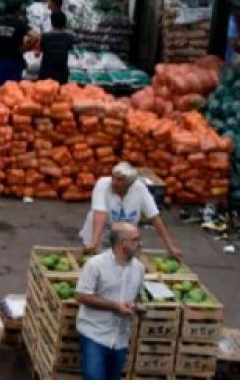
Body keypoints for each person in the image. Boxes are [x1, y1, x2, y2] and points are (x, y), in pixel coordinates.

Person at [75, 223, 146, 380]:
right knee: (94, 378)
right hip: (95, 334)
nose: (139, 244)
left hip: (120, 339)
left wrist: (137, 307)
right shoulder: (95, 265)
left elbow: (136, 297)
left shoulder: (139, 268)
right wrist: (115, 306)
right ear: (122, 243)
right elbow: (81, 296)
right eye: (135, 240)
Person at [80, 162, 183, 261]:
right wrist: (94, 242)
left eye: (120, 180)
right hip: (99, 236)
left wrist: (170, 247)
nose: (114, 182)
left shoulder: (140, 189)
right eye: (113, 177)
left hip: (123, 240)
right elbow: (100, 214)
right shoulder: (103, 184)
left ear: (130, 183)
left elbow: (155, 218)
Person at [0, 1, 37, 88]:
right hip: (15, 60)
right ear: (17, 12)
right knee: (14, 89)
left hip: (1, 58)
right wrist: (25, 49)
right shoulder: (20, 24)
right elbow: (35, 36)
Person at [38, 11, 75, 84]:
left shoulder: (45, 36)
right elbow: (70, 49)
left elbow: (40, 50)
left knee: (44, 92)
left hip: (46, 72)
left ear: (52, 22)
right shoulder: (69, 37)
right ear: (64, 22)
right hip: (62, 72)